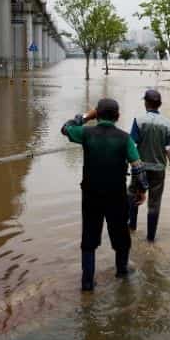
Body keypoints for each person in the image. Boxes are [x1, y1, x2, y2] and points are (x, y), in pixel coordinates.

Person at [61, 98, 149, 292]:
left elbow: (65, 128)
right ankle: (122, 271)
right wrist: (141, 190)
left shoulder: (85, 133)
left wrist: (85, 117)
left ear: (97, 115)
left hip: (91, 196)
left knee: (89, 240)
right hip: (116, 196)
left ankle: (87, 283)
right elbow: (137, 166)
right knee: (121, 236)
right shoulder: (125, 138)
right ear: (117, 117)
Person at [128, 89, 170, 242]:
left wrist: (125, 163)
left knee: (134, 196)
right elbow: (169, 148)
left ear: (146, 103)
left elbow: (131, 144)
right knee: (154, 204)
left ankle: (132, 228)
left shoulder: (139, 120)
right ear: (160, 105)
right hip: (158, 170)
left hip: (140, 169)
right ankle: (151, 238)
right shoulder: (167, 124)